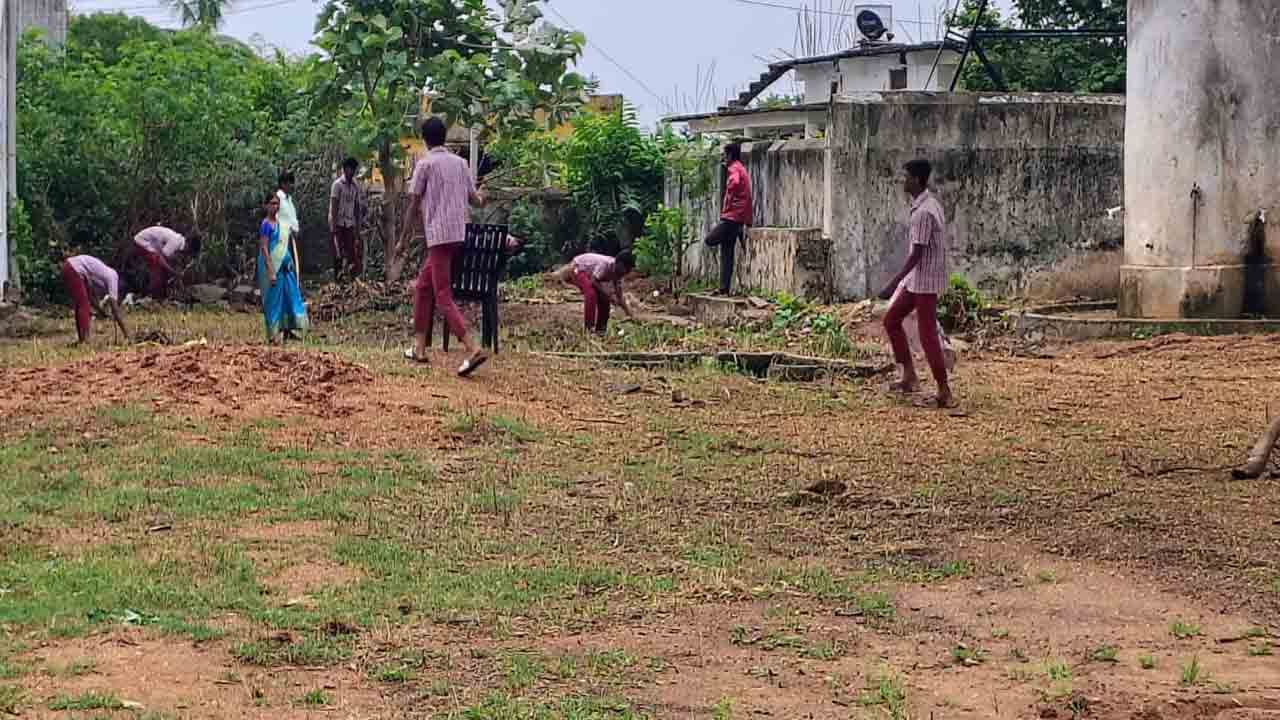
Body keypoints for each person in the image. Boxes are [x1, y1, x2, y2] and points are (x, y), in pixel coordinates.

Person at [396, 116, 489, 377]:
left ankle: (472, 348)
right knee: (423, 287)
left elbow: (414, 205)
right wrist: (485, 196)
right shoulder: (461, 163)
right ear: (444, 137)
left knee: (443, 295)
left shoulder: (425, 164)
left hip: (438, 237)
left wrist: (403, 239)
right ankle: (419, 348)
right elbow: (475, 200)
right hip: (458, 235)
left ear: (425, 140)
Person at [879, 158, 955, 409]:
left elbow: (917, 255)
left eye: (907, 177)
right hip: (920, 278)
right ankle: (909, 376)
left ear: (917, 180)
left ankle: (944, 390)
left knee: (927, 334)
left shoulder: (923, 212)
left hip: (925, 280)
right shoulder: (930, 204)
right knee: (891, 320)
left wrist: (893, 283)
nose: (903, 181)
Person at [258, 192, 308, 344]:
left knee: (288, 296)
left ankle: (287, 330)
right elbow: (264, 248)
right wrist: (270, 271)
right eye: (272, 203)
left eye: (277, 204)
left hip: (284, 268)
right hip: (272, 266)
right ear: (266, 206)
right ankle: (273, 335)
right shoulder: (265, 225)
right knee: (273, 300)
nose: (275, 206)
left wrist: (288, 262)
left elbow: (284, 245)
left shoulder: (281, 225)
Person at [703, 142, 753, 296]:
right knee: (727, 254)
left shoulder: (734, 168)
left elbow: (735, 182)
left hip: (732, 217)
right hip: (738, 217)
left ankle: (737, 231)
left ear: (730, 155)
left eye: (725, 154)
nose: (723, 157)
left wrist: (729, 199)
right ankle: (724, 288)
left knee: (710, 240)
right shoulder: (741, 168)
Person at [552, 250, 636, 335]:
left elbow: (620, 297)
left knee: (605, 299)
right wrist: (609, 296)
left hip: (590, 274)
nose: (626, 273)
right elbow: (593, 281)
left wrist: (630, 315)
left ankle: (601, 330)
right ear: (620, 264)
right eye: (626, 270)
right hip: (578, 267)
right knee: (591, 294)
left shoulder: (618, 274)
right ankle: (589, 328)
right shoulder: (605, 265)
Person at [61, 254, 129, 344]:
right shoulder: (113, 277)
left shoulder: (101, 277)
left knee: (81, 304)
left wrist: (101, 312)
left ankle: (82, 339)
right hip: (73, 268)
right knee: (84, 306)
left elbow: (90, 298)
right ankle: (85, 340)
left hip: (69, 266)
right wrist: (126, 334)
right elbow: (115, 310)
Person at [132, 225, 201, 299]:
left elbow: (167, 256)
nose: (187, 254)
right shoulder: (175, 242)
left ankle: (160, 295)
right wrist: (173, 272)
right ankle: (156, 297)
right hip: (142, 241)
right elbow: (160, 259)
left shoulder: (179, 241)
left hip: (151, 244)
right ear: (189, 246)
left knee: (162, 269)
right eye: (189, 252)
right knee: (157, 267)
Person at [329, 157, 367, 280]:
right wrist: (334, 227)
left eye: (354, 169)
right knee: (338, 254)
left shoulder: (355, 186)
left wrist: (358, 227)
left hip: (349, 223)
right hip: (338, 223)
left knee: (352, 252)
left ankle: (352, 280)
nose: (352, 172)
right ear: (345, 169)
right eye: (350, 169)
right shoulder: (337, 185)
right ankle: (338, 280)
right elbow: (334, 206)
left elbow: (356, 207)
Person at [276, 171, 302, 271]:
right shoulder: (278, 198)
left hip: (291, 239)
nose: (292, 185)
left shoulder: (289, 199)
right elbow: (276, 218)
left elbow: (291, 218)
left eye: (292, 183)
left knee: (291, 267)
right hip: (282, 239)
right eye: (289, 183)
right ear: (283, 184)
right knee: (285, 267)